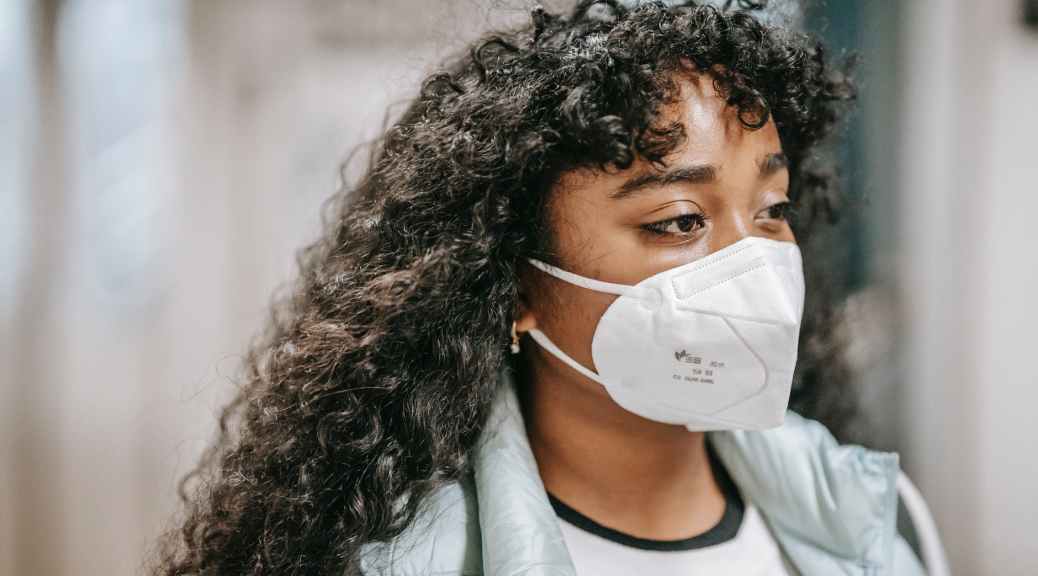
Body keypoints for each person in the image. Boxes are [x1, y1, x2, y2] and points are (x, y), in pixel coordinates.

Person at [150, 1, 945, 574]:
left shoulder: (876, 520)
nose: (757, 263)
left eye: (772, 210)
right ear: (516, 284)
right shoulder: (398, 562)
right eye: (679, 220)